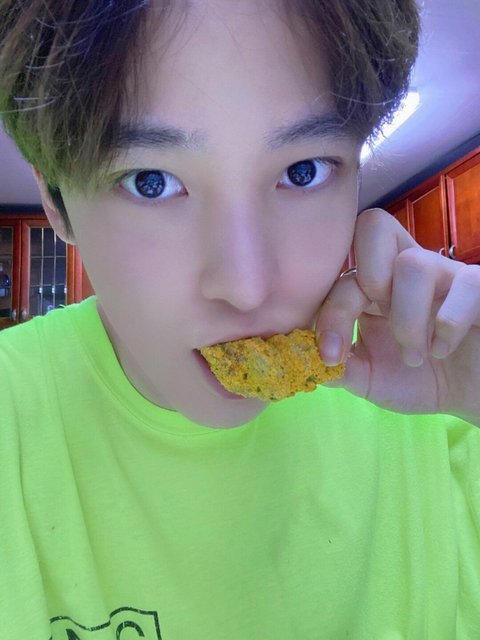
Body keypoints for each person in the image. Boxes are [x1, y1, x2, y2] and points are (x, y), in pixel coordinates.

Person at [0, 0, 479, 637]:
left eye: (302, 172)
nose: (246, 288)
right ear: (55, 202)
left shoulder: (441, 389)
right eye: (150, 181)